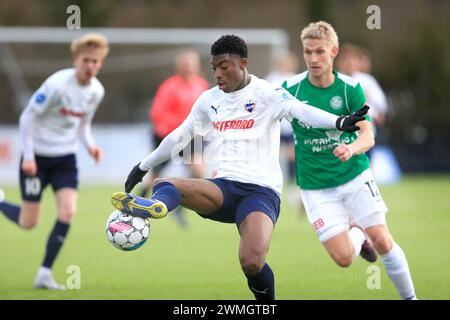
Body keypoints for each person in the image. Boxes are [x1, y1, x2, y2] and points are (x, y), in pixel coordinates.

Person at [110, 35, 367, 300]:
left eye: (224, 66)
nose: (218, 74)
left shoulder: (267, 93)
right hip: (222, 189)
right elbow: (180, 136)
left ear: (242, 63)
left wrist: (338, 122)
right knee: (164, 183)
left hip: (260, 193)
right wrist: (143, 166)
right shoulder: (209, 101)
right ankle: (160, 206)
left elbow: (300, 111)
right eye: (214, 68)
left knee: (251, 262)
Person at [282, 21, 417, 300]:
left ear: (334, 51)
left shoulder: (350, 88)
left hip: (354, 176)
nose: (313, 59)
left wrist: (352, 149)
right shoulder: (289, 89)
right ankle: (358, 233)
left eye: (320, 51)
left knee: (382, 239)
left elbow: (368, 135)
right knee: (344, 258)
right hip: (315, 187)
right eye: (308, 52)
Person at [0, 33, 109, 290]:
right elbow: (27, 118)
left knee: (68, 212)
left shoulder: (96, 91)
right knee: (29, 222)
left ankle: (44, 274)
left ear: (100, 63)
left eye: (95, 61)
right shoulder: (57, 85)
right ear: (76, 60)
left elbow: (83, 124)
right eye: (86, 60)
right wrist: (28, 157)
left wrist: (90, 145)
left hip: (65, 159)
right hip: (36, 158)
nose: (90, 66)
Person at [141, 49, 209, 228]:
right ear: (178, 66)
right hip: (168, 136)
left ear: (197, 66)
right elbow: (157, 112)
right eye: (184, 63)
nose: (188, 66)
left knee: (199, 170)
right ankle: (138, 200)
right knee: (154, 175)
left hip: (192, 136)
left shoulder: (201, 85)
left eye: (191, 63)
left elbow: (208, 111)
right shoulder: (169, 86)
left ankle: (181, 205)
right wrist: (175, 125)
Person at [264, 52, 300, 210]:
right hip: (273, 125)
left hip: (289, 126)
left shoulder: (295, 79)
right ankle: (268, 185)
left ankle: (292, 188)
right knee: (270, 156)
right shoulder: (270, 79)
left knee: (292, 156)